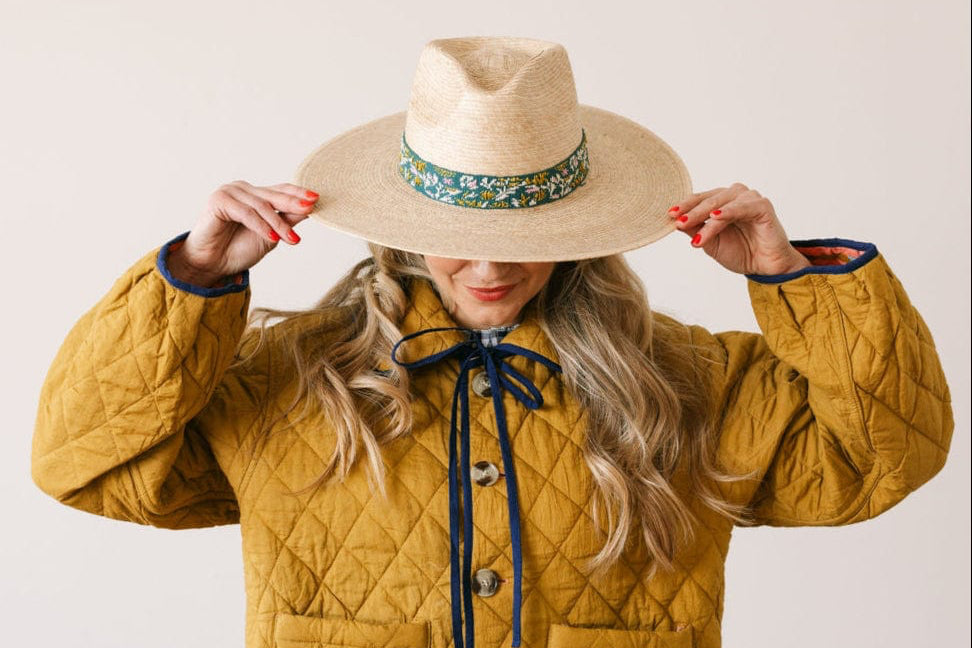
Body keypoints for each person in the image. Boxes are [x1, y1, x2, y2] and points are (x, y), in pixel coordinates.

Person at [31, 36, 953, 648]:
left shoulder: (696, 380)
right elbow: (83, 463)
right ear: (399, 221)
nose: (490, 268)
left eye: (525, 240)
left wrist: (791, 279)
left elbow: (883, 458)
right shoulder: (288, 378)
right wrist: (192, 284)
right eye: (456, 230)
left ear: (579, 230)